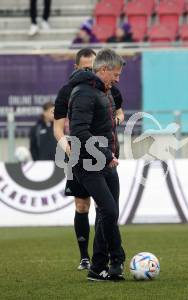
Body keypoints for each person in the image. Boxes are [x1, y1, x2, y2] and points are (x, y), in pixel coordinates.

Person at [54, 47, 125, 271]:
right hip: (86, 160)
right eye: (115, 74)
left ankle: (101, 264)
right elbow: (74, 130)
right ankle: (97, 259)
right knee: (86, 206)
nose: (117, 79)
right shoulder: (78, 92)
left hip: (106, 160)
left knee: (107, 212)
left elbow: (111, 121)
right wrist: (71, 151)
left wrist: (111, 151)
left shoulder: (107, 90)